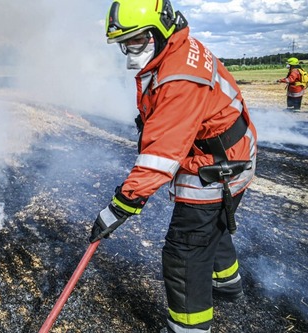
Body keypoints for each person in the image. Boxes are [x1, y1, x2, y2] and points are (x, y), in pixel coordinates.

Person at [91, 1, 258, 332]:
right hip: (228, 153)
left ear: (159, 30)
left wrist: (119, 207)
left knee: (184, 254)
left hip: (217, 165)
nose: (129, 53)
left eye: (135, 41)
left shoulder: (180, 75)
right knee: (213, 226)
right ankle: (227, 283)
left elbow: (161, 158)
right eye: (125, 44)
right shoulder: (175, 49)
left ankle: (189, 328)